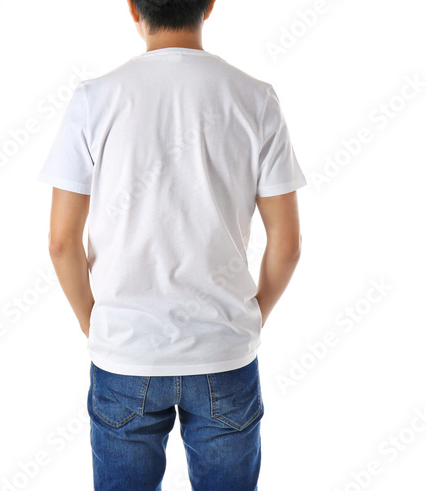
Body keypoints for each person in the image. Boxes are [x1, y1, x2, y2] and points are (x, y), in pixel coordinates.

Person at [36, 0, 307, 489]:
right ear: (209, 5)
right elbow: (286, 244)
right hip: (224, 353)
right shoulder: (256, 98)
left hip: (125, 352)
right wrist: (247, 318)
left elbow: (61, 242)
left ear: (133, 8)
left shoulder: (95, 99)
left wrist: (93, 322)